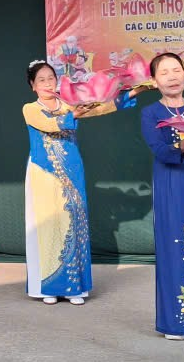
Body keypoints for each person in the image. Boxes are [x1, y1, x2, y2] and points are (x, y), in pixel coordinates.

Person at [22, 61, 132, 305]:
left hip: (72, 170)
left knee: (74, 222)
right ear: (33, 86)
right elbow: (49, 125)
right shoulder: (30, 109)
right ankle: (47, 288)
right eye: (41, 80)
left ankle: (74, 288)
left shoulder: (68, 104)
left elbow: (100, 107)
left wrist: (134, 91)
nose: (47, 83)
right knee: (47, 225)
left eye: (51, 78)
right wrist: (74, 114)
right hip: (43, 173)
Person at [140, 53, 184, 339]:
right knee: (176, 246)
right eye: (164, 72)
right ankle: (178, 322)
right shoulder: (151, 113)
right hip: (172, 184)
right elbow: (162, 151)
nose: (172, 77)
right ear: (154, 81)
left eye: (176, 70)